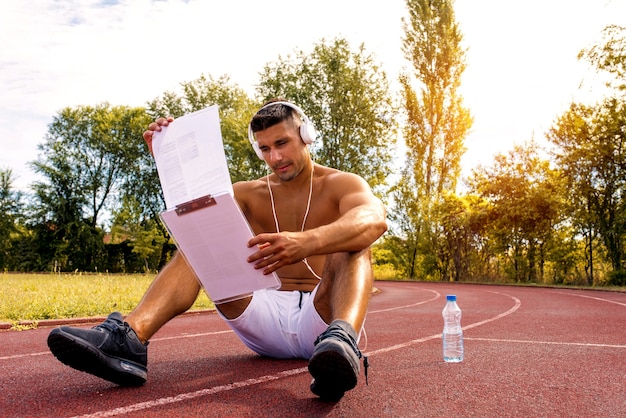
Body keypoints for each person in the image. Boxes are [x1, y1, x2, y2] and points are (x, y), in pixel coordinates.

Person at [47, 99, 388, 402]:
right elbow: (192, 210)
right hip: (262, 316)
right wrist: (169, 157)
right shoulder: (246, 192)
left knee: (355, 244)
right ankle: (130, 339)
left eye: (282, 143)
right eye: (265, 148)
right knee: (201, 233)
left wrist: (306, 242)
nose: (275, 157)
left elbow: (373, 219)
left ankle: (341, 346)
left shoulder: (343, 183)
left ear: (306, 135)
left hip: (323, 319)